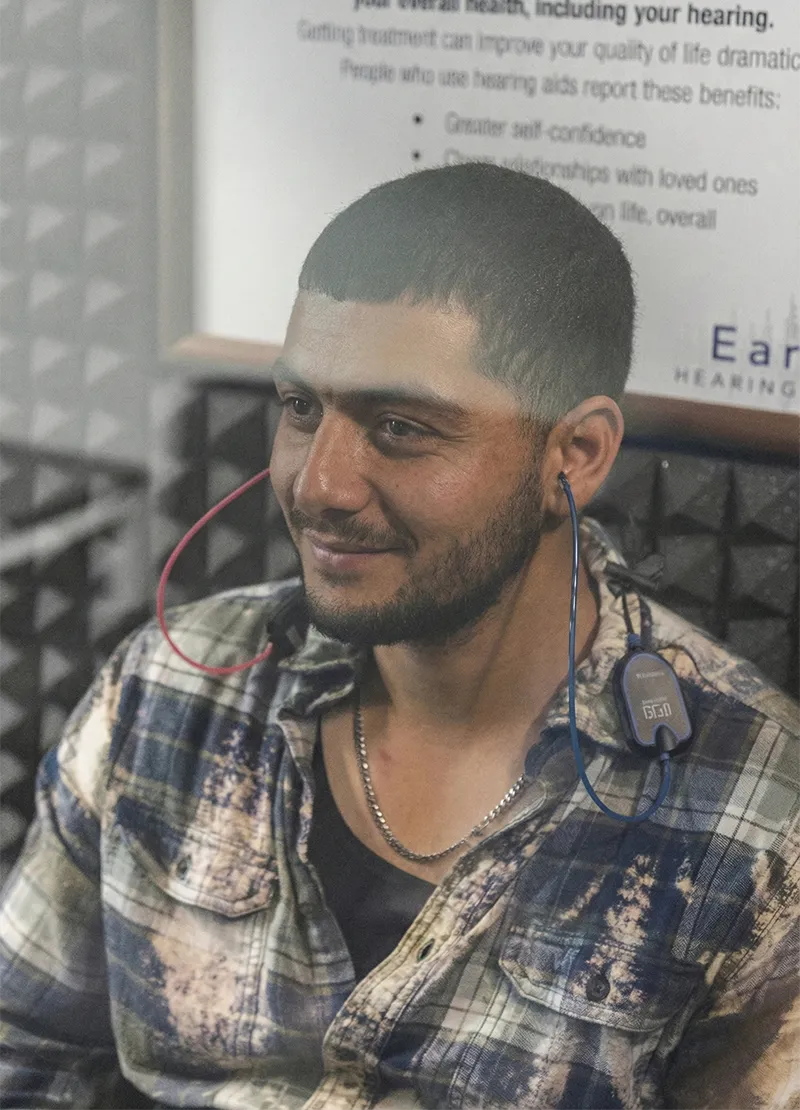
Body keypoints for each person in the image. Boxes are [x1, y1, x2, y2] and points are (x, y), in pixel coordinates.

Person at [0, 164, 798, 1110]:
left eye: (403, 427)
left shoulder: (754, 819)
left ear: (573, 455)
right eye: (302, 408)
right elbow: (25, 1053)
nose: (319, 485)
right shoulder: (172, 687)